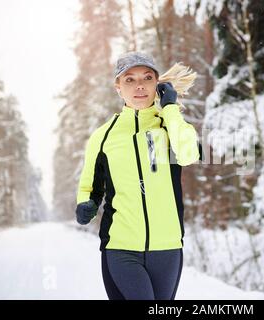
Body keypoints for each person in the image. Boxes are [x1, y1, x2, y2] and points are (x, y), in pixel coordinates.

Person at [75, 51, 201, 300]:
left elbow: (188, 154)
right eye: (129, 79)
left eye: (147, 78)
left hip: (167, 248)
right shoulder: (103, 136)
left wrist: (171, 108)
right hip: (121, 247)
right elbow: (90, 186)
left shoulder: (169, 125)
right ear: (118, 87)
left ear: (158, 84)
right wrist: (84, 204)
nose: (140, 85)